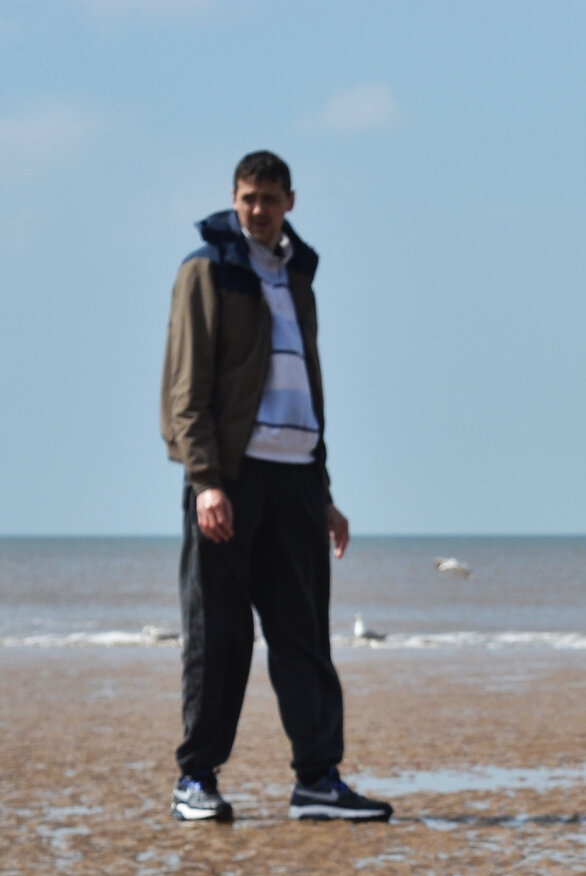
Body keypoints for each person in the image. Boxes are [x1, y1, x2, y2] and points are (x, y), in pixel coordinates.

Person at [161, 150, 391, 824]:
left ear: (290, 201)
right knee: (219, 634)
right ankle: (196, 778)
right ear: (234, 200)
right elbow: (186, 385)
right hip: (230, 477)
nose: (257, 209)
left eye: (269, 198)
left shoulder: (298, 278)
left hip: (295, 478)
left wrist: (323, 492)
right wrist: (204, 480)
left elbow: (303, 389)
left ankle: (317, 779)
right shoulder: (207, 270)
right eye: (246, 197)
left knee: (303, 636)